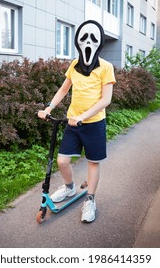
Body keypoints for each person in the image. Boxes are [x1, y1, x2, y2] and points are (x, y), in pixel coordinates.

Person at [38, 20, 116, 223]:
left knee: (93, 162)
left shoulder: (106, 67)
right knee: (62, 161)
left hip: (94, 123)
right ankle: (70, 187)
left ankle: (90, 199)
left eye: (93, 38)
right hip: (73, 122)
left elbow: (105, 100)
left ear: (99, 42)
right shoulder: (74, 64)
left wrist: (83, 117)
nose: (88, 42)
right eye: (84, 38)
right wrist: (49, 108)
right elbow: (64, 89)